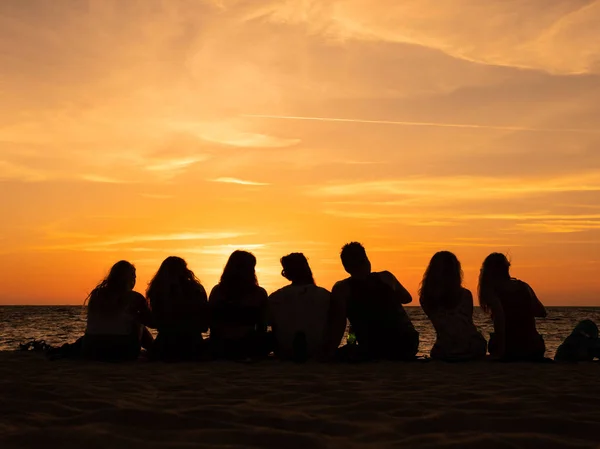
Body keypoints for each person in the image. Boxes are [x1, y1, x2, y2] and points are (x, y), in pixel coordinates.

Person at [324, 242, 419, 361]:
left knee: (348, 346)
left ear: (346, 267)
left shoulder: (342, 288)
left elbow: (339, 324)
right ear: (366, 260)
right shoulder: (386, 277)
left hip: (373, 348)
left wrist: (330, 350)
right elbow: (407, 298)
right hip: (408, 344)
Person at [478, 253, 547, 361]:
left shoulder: (492, 291)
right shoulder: (524, 286)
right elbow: (541, 312)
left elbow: (500, 320)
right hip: (535, 347)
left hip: (511, 348)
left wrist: (501, 352)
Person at [419, 251, 487, 361]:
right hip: (472, 348)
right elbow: (467, 322)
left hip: (446, 350)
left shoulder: (426, 298)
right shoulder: (465, 295)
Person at [82, 260, 153, 361]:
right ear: (130, 278)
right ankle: (154, 349)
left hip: (90, 350)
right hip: (121, 352)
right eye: (134, 277)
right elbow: (151, 321)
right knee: (138, 321)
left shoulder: (96, 294)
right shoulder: (134, 297)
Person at [268, 253, 331, 362]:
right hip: (317, 350)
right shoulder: (325, 296)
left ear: (287, 274)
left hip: (285, 351)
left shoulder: (276, 297)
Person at [208, 251, 269, 360]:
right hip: (246, 343)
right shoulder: (258, 293)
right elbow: (262, 325)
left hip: (222, 343)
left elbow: (212, 323)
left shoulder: (217, 291)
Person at [147, 256, 209, 361]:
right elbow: (204, 325)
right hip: (192, 345)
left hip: (165, 347)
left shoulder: (158, 291)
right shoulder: (197, 289)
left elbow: (155, 322)